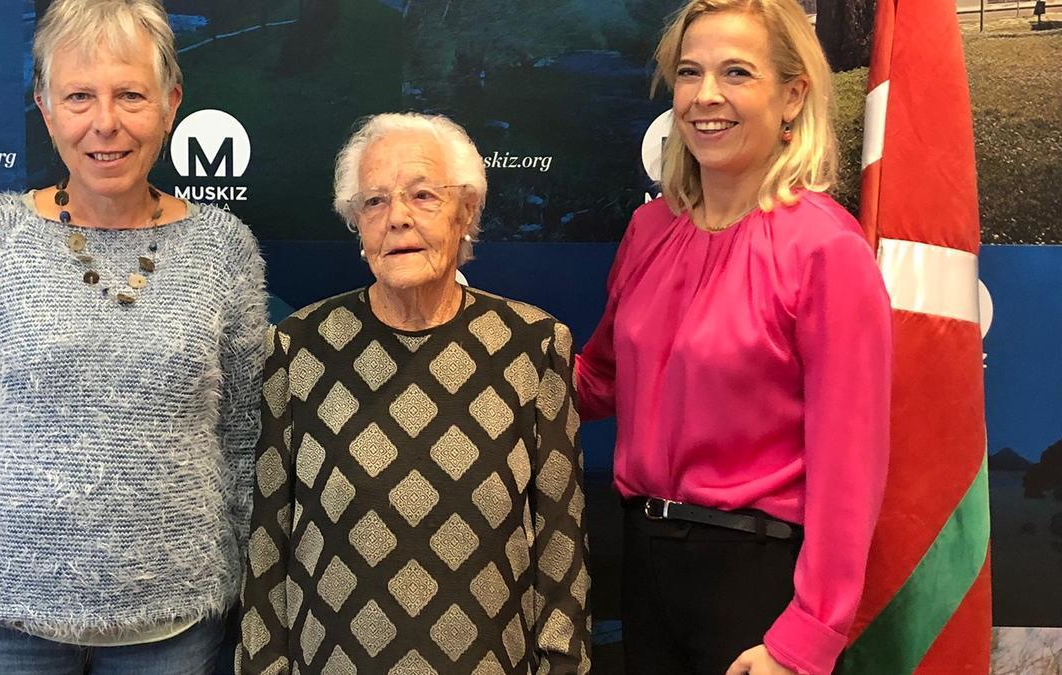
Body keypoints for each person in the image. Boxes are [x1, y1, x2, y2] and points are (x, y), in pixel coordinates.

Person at [0, 1, 267, 673]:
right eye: (79, 96)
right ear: (45, 106)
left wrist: (251, 600)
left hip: (176, 628)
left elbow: (244, 440)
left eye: (130, 95)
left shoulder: (224, 248)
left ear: (172, 103)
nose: (105, 122)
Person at [573, 0, 892, 673]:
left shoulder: (825, 249)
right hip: (644, 563)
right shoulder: (651, 230)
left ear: (792, 96)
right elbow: (598, 381)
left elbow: (850, 466)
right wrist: (475, 368)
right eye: (689, 73)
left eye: (737, 73)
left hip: (757, 583)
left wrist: (806, 636)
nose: (705, 96)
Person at [236, 112, 590, 675]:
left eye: (423, 195)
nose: (397, 218)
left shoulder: (535, 345)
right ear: (356, 224)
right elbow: (269, 538)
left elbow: (560, 537)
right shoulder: (299, 345)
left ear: (465, 212)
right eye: (374, 202)